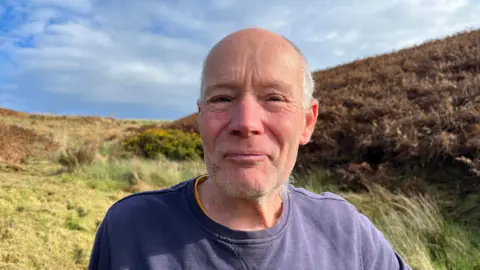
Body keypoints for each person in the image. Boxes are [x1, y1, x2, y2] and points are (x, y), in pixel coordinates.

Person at [88, 27, 412, 270]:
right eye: (222, 99)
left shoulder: (346, 231)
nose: (245, 122)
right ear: (201, 119)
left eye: (274, 98)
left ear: (308, 122)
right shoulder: (129, 229)